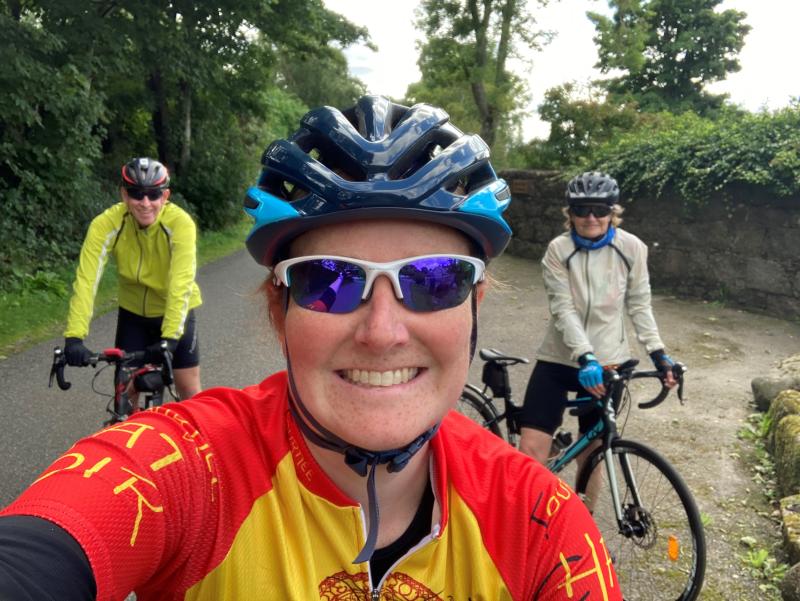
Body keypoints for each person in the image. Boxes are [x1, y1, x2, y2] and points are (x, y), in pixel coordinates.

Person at [0, 98, 621, 600]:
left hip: (170, 312)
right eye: (330, 280)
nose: (382, 332)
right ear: (280, 311)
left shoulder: (543, 523)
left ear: (474, 307)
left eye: (435, 280)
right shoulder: (187, 471)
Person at [518, 171, 677, 498]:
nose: (591, 217)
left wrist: (658, 353)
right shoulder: (558, 250)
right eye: (582, 210)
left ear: (612, 212)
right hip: (559, 360)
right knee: (531, 449)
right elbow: (563, 309)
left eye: (600, 210)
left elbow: (639, 304)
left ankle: (583, 529)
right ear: (570, 214)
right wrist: (584, 356)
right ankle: (526, 525)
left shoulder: (632, 248)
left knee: (592, 454)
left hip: (608, 365)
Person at [62, 157, 203, 400]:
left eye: (153, 194)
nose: (145, 203)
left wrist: (169, 339)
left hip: (175, 314)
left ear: (165, 196)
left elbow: (181, 283)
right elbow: (86, 280)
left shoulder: (180, 224)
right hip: (133, 316)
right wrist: (75, 336)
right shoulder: (106, 224)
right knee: (125, 393)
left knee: (188, 389)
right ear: (124, 195)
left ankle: (198, 437)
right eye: (137, 194)